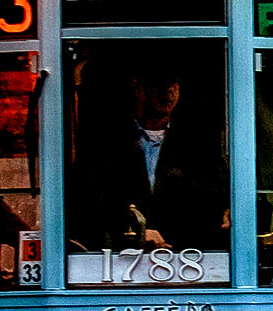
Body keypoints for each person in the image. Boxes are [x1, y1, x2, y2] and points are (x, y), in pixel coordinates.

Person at [72, 57, 226, 251]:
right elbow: (87, 202)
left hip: (186, 258)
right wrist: (131, 231)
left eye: (174, 84)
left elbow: (217, 195)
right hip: (123, 257)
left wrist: (227, 211)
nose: (168, 91)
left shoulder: (195, 144)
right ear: (139, 88)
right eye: (160, 83)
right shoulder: (107, 143)